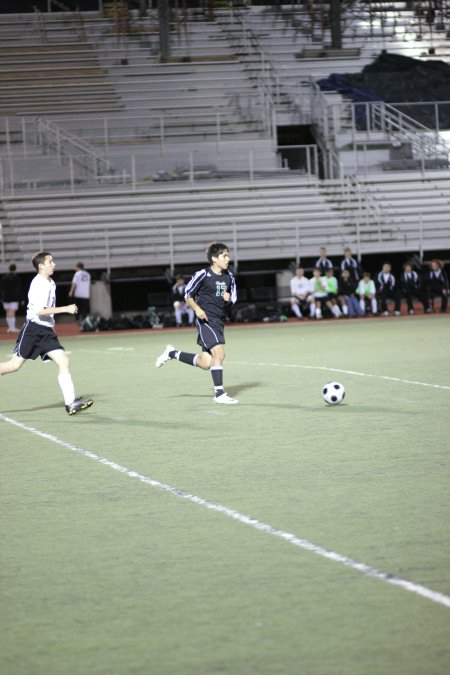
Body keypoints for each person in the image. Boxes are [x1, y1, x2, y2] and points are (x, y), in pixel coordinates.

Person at [0, 251, 94, 416]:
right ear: (41, 266)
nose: (54, 264)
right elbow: (41, 311)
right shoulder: (39, 284)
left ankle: (71, 403)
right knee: (13, 366)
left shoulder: (49, 281)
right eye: (50, 261)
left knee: (64, 360)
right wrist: (66, 309)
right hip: (33, 330)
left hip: (46, 331)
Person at [155, 242, 238, 405]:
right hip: (205, 320)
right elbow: (188, 294)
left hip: (219, 321)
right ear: (214, 259)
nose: (228, 258)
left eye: (228, 255)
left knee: (206, 363)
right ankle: (219, 394)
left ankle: (172, 353)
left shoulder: (229, 277)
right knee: (220, 354)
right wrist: (197, 309)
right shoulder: (203, 274)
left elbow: (233, 298)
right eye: (224, 255)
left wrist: (228, 301)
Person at [1, 263, 23, 333]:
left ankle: (10, 328)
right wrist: (21, 298)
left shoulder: (3, 278)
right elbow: (19, 289)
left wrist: (1, 297)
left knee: (8, 312)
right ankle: (12, 328)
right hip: (13, 298)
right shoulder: (16, 278)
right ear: (15, 269)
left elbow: (1, 288)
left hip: (5, 298)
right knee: (12, 312)